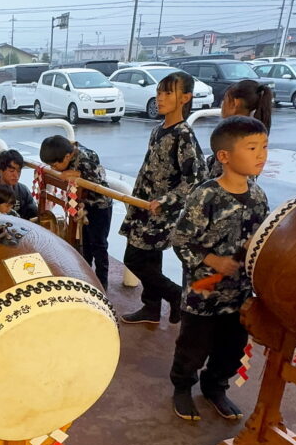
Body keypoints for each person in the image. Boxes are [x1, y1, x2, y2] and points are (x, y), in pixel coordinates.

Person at [169, 116, 270, 421]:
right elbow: (180, 239)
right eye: (251, 148)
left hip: (239, 294)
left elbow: (260, 237)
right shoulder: (206, 195)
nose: (261, 154)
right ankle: (183, 388)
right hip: (204, 293)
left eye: (264, 147)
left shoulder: (257, 195)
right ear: (224, 157)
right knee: (193, 347)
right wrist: (213, 261)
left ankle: (216, 388)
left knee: (232, 348)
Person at [119, 71, 207, 325]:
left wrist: (166, 202)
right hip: (143, 206)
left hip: (160, 213)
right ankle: (151, 308)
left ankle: (174, 294)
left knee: (133, 259)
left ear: (185, 98)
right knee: (150, 259)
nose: (160, 98)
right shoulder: (158, 130)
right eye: (159, 92)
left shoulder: (183, 135)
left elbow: (195, 179)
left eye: (168, 93)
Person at [39, 135, 113, 289]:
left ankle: (101, 283)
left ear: (67, 156)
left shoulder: (85, 159)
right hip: (83, 205)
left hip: (100, 206)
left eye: (54, 165)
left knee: (98, 245)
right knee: (85, 242)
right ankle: (85, 276)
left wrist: (77, 174)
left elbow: (99, 177)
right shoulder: (67, 149)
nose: (53, 169)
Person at [208, 79, 273, 177]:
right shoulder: (255, 131)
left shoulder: (233, 135)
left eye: (224, 100)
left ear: (235, 103)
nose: (222, 105)